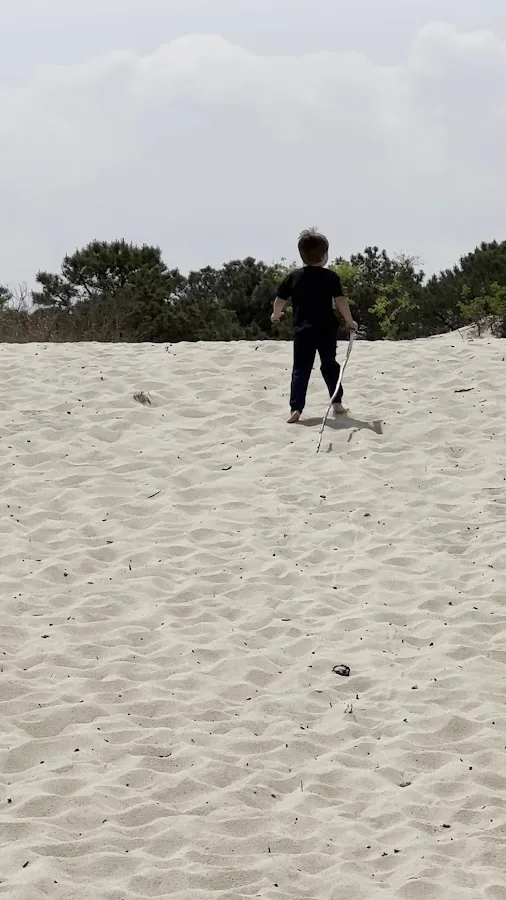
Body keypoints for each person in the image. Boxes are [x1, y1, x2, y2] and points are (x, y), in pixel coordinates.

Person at [271, 228, 358, 423]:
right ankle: (336, 403)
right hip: (327, 329)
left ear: (301, 255)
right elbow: (341, 301)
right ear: (325, 255)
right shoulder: (331, 277)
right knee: (329, 365)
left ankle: (296, 408)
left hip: (303, 330)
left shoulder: (294, 276)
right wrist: (350, 321)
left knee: (301, 369)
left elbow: (279, 300)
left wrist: (276, 315)